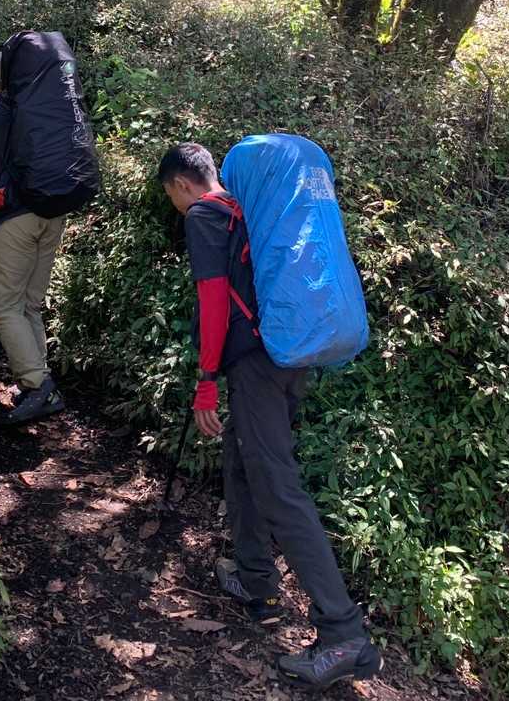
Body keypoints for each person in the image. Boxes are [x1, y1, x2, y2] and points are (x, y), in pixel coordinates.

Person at [157, 142, 382, 693]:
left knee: (278, 486)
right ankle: (255, 577)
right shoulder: (246, 208)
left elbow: (214, 300)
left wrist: (206, 381)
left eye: (170, 196)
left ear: (181, 184)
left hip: (255, 366)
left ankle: (343, 634)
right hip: (287, 353)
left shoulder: (205, 215)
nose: (175, 205)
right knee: (243, 460)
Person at [0, 51, 66, 424]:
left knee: (4, 305)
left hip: (16, 216)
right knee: (29, 304)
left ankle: (38, 385)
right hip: (53, 211)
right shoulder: (41, 107)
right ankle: (38, 379)